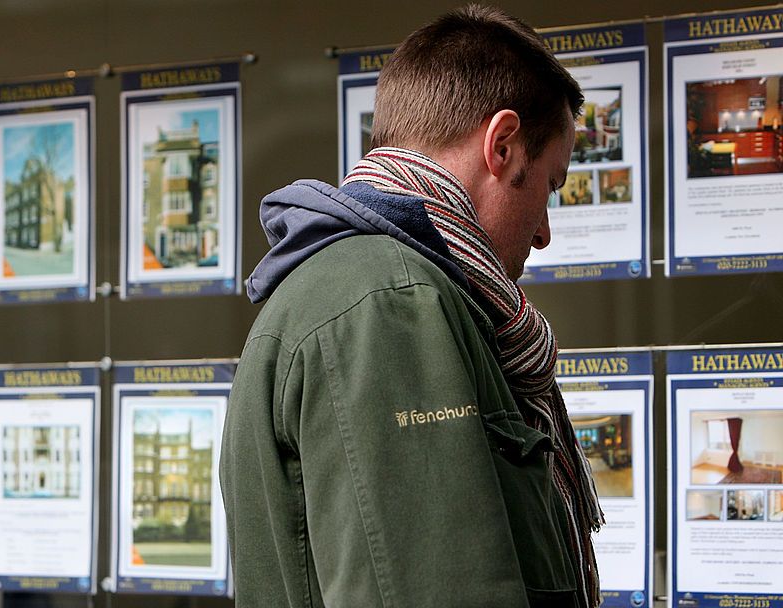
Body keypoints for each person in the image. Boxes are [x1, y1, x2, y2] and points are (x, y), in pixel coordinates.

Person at [220, 5, 604, 608]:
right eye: (550, 186)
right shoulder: (387, 302)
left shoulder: (358, 284)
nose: (544, 232)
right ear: (502, 146)